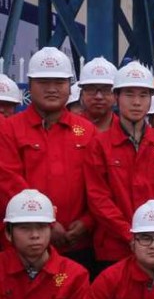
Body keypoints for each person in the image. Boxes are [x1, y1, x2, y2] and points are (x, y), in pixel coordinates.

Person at [0, 47, 96, 271]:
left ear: (69, 86)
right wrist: (45, 224)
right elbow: (7, 181)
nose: (52, 89)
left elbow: (99, 184)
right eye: (44, 82)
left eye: (60, 82)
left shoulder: (87, 131)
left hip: (77, 243)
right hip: (23, 247)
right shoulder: (8, 130)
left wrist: (87, 222)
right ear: (30, 85)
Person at [85, 62, 154, 272]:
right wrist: (129, 234)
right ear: (116, 97)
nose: (137, 102)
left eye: (143, 95)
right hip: (113, 247)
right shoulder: (99, 144)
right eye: (129, 95)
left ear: (151, 100)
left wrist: (152, 233)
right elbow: (98, 198)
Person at [77, 57, 117, 132]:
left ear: (116, 95)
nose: (99, 96)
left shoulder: (127, 132)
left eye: (106, 89)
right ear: (81, 94)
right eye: (91, 89)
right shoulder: (68, 130)